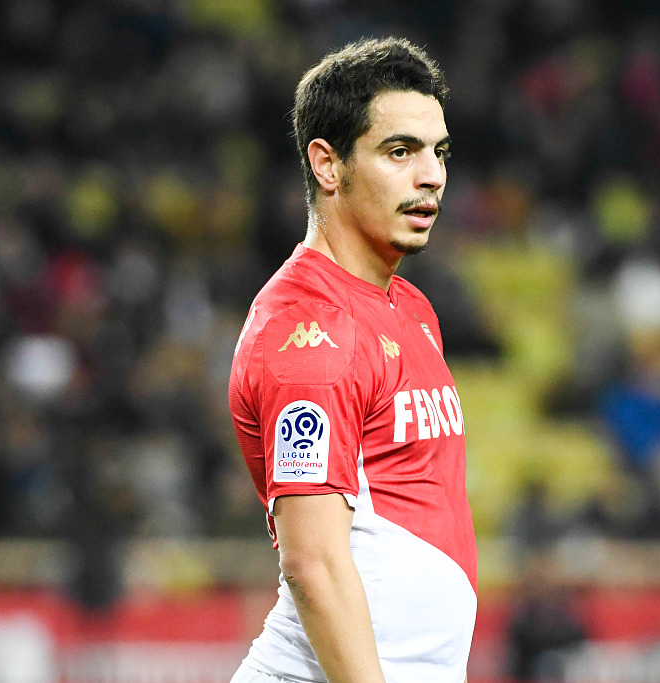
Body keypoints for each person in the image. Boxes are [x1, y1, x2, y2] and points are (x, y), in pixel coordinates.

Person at [227, 37, 477, 683]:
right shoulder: (310, 330)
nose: (431, 175)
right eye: (400, 151)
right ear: (327, 165)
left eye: (439, 152)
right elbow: (311, 563)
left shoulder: (411, 307)